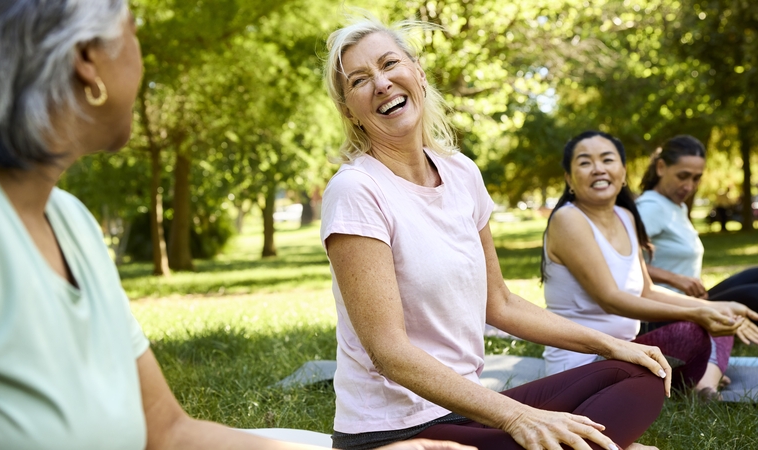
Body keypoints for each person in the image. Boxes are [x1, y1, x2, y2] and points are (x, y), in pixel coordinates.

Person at [0, 3, 476, 450]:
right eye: (132, 31)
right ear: (87, 63)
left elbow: (167, 431)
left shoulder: (70, 222)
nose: (142, 60)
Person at [321, 15, 672, 450]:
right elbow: (388, 352)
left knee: (641, 373)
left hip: (470, 410)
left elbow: (499, 302)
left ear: (419, 73)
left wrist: (610, 344)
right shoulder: (357, 189)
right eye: (359, 80)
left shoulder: (461, 173)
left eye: (390, 63)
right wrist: (517, 416)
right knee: (557, 430)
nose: (381, 83)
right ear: (349, 111)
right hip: (399, 428)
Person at [540, 131, 758, 399]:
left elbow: (647, 291)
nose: (598, 168)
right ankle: (689, 384)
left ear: (622, 171)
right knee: (693, 330)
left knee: (717, 321)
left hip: (627, 351)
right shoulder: (568, 220)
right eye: (585, 163)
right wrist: (697, 313)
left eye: (607, 160)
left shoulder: (625, 217)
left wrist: (715, 307)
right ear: (569, 179)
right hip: (584, 363)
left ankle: (688, 385)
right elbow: (610, 299)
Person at [636, 135, 758, 314]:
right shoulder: (651, 208)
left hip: (690, 302)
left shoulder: (675, 206)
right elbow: (618, 261)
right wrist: (674, 279)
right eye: (683, 176)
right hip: (665, 310)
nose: (689, 186)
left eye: (696, 178)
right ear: (661, 167)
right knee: (754, 295)